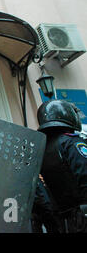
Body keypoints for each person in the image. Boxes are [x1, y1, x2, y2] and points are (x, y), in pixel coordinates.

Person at [36, 99, 87, 233]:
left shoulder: (43, 150)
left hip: (66, 221)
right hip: (83, 214)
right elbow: (84, 173)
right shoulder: (71, 142)